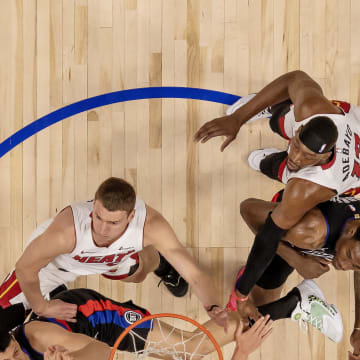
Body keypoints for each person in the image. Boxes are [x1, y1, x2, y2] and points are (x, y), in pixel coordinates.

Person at [193, 70, 360, 327]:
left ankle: (275, 165)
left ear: (323, 158)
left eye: (307, 157)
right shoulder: (312, 114)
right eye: (295, 147)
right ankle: (277, 116)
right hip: (343, 132)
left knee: (288, 170)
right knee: (279, 123)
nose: (297, 158)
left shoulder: (321, 185)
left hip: (339, 179)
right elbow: (293, 78)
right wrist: (238, 118)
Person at [0, 177, 227, 331]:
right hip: (54, 266)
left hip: (110, 260)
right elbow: (25, 268)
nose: (102, 229)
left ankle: (161, 264)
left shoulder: (150, 225)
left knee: (138, 275)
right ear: (94, 205)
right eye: (98, 217)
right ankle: (54, 292)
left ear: (130, 217)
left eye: (113, 222)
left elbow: (195, 275)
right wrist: (41, 307)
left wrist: (213, 307)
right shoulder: (66, 231)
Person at [0, 280, 342, 360]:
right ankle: (293, 301)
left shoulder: (42, 339)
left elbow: (106, 353)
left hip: (96, 321)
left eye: (15, 354)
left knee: (188, 348)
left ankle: (295, 302)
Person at [238, 190, 360, 359]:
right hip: (286, 228)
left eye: (355, 266)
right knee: (252, 322)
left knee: (256, 319)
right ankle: (297, 301)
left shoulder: (353, 243)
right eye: (348, 256)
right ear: (352, 230)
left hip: (307, 244)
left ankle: (295, 301)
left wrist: (358, 329)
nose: (344, 266)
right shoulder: (310, 230)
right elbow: (248, 209)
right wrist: (298, 260)